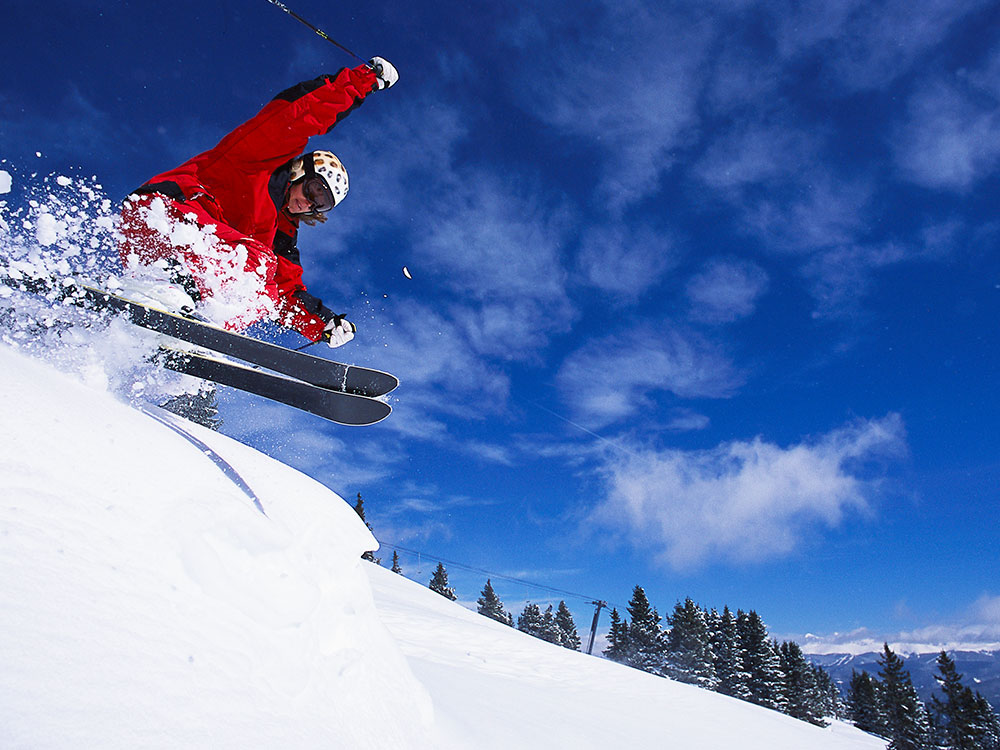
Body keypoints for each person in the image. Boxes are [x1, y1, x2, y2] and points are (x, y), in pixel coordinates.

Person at [117, 57, 398, 348]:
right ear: (301, 172)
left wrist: (324, 323)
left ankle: (183, 351)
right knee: (255, 264)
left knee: (263, 293)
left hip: (185, 255)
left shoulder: (279, 236)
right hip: (166, 214)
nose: (309, 205)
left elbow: (285, 292)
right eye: (314, 191)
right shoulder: (260, 160)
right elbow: (301, 114)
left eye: (320, 205)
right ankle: (164, 287)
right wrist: (363, 80)